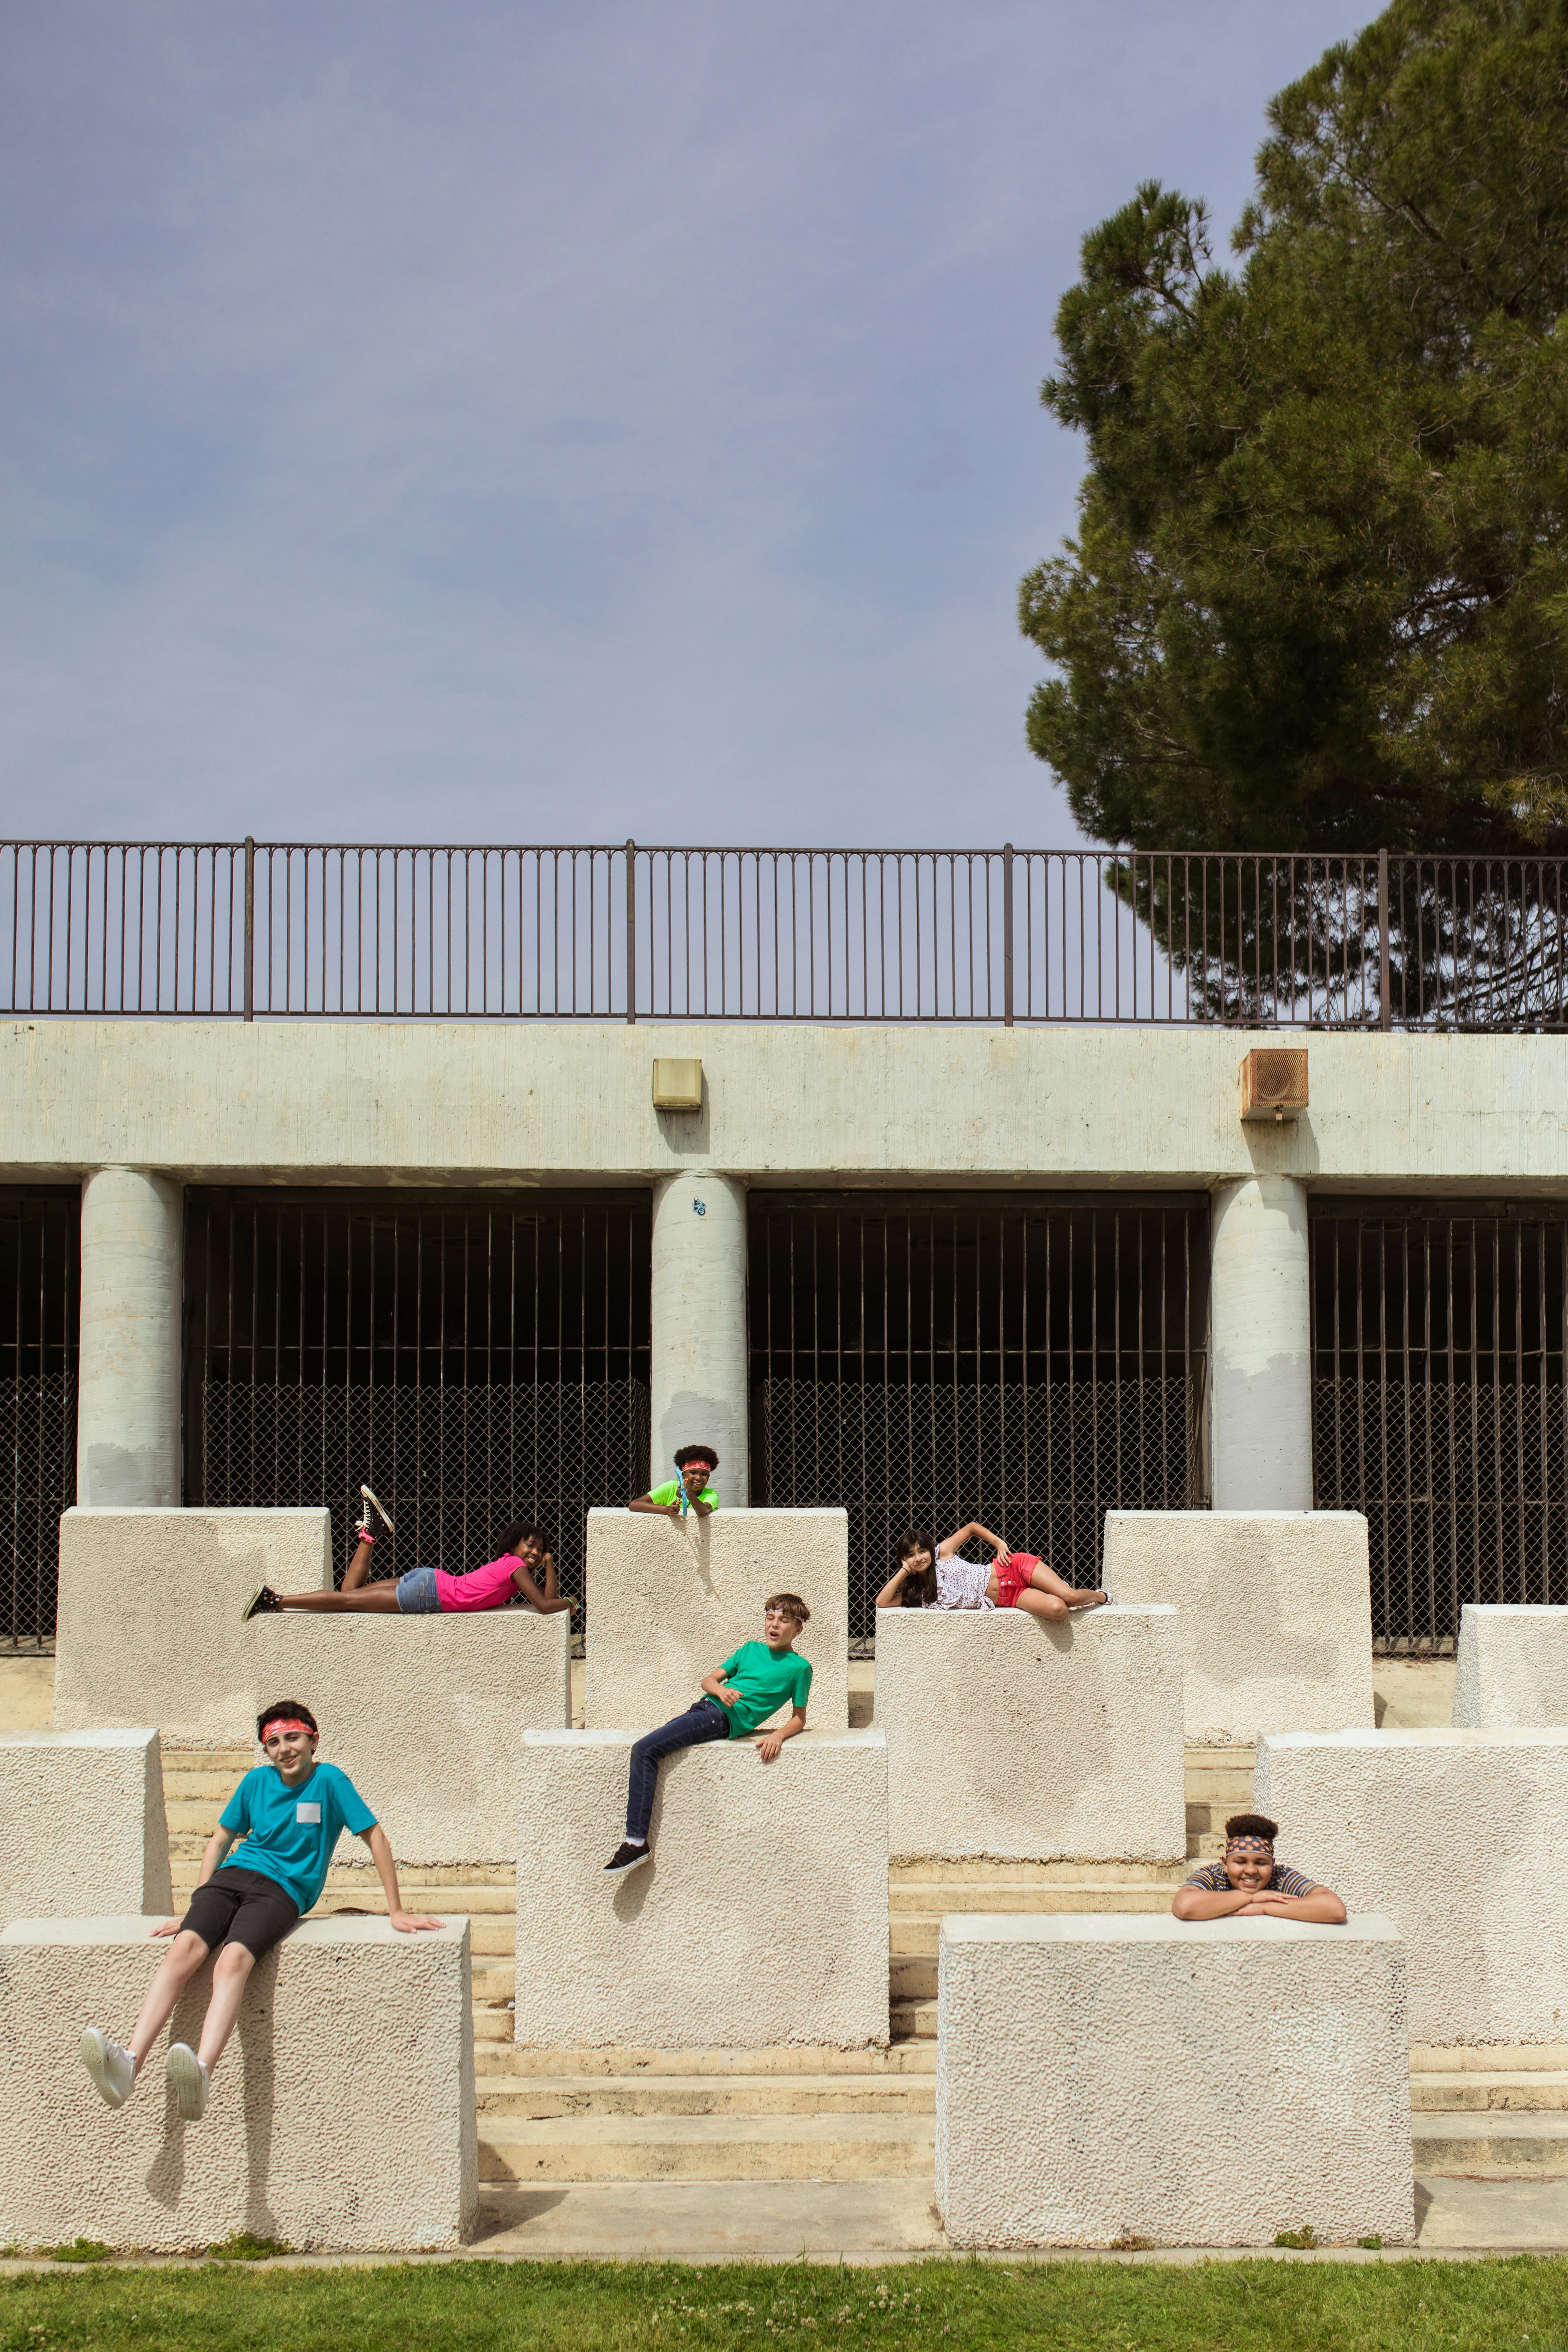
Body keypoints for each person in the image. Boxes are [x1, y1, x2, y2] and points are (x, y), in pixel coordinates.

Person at [78, 1700, 441, 2122]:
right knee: (184, 1949)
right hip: (232, 1876)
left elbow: (375, 1835)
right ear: (266, 1750)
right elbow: (219, 1841)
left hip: (283, 1891)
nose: (284, 1749)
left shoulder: (330, 1781)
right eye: (273, 1742)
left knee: (232, 1960)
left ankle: (202, 2071)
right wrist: (196, 1906)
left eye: (293, 1738)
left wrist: (395, 1910)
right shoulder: (255, 1782)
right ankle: (129, 2064)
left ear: (312, 1740)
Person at [602, 1593, 812, 1874]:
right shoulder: (749, 1649)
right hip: (703, 1709)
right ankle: (636, 1841)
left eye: (784, 1621)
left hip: (721, 1720)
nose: (775, 1625)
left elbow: (799, 1719)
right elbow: (708, 1680)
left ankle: (636, 1842)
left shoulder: (800, 1669)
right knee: (648, 1749)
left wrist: (778, 1735)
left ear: (798, 1629)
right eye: (770, 1618)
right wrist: (722, 1690)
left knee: (644, 1750)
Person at [243, 1492, 572, 1620]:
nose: (535, 1552)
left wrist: (549, 1564)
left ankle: (370, 1535)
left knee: (347, 1595)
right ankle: (278, 1601)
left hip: (429, 1581)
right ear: (514, 1546)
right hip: (429, 1593)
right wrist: (573, 1605)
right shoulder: (515, 1567)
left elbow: (545, 1598)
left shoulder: (510, 1566)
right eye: (530, 1545)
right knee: (345, 1604)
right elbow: (546, 1606)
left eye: (540, 1549)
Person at [875, 1523, 1109, 1622]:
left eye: (922, 1551)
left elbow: (972, 1529)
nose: (919, 1558)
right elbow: (882, 1602)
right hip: (1009, 1598)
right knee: (1058, 1611)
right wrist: (905, 1572)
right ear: (904, 1559)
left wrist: (998, 1543)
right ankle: (1051, 1587)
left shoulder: (941, 1554)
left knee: (1072, 1599)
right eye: (911, 1555)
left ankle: (1102, 1596)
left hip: (1011, 1568)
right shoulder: (918, 1594)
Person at [1171, 1813, 1348, 1924]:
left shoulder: (1281, 1877)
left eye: (1261, 1863)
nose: (1251, 1871)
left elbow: (1334, 1909)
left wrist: (1265, 1907)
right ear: (1224, 1864)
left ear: (1272, 1864)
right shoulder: (1213, 1875)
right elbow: (1185, 1906)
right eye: (1240, 1862)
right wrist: (1253, 1896)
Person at [629, 1445, 718, 1520]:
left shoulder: (711, 1495)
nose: (699, 1478)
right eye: (693, 1473)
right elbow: (634, 1505)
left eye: (704, 1474)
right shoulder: (671, 1487)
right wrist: (667, 1510)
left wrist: (689, 1494)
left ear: (709, 1477)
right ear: (683, 1475)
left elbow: (703, 1512)